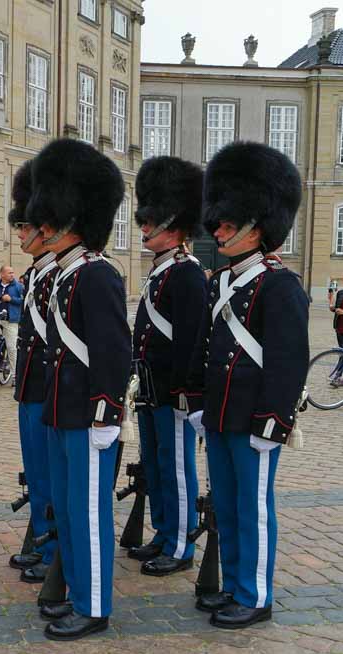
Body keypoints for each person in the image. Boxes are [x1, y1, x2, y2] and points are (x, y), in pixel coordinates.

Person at [186, 141, 308, 630]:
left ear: (257, 227)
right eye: (217, 224)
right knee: (229, 506)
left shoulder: (280, 286)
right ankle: (235, 584)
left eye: (227, 225)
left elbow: (288, 362)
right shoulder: (220, 282)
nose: (217, 232)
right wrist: (198, 404)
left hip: (254, 419)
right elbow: (207, 351)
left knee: (254, 509)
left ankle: (256, 594)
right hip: (220, 416)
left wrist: (274, 422)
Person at [26, 138, 131, 641]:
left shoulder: (96, 275)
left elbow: (113, 354)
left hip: (88, 418)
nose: (39, 227)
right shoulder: (66, 275)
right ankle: (74, 591)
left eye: (48, 219)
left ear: (72, 220)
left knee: (89, 515)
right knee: (69, 509)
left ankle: (94, 605)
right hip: (60, 411)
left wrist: (106, 416)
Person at [129, 156, 207, 577]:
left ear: (172, 228)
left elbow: (191, 341)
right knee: (157, 464)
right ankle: (163, 531)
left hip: (173, 391)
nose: (143, 229)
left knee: (177, 469)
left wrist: (185, 391)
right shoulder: (161, 272)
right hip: (150, 388)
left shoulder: (188, 274)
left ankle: (180, 545)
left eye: (149, 223)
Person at [7, 161, 59, 583]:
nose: (20, 235)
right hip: (30, 386)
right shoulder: (36, 273)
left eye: (26, 228)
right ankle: (42, 540)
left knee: (52, 475)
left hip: (48, 388)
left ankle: (55, 549)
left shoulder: (58, 274)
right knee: (37, 474)